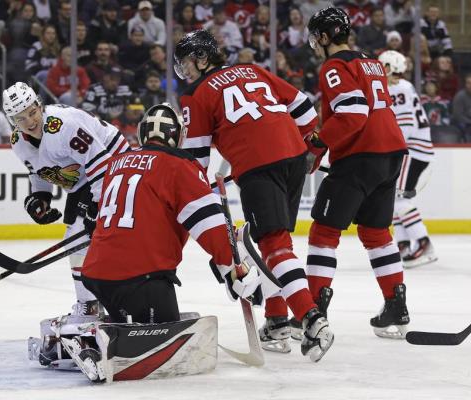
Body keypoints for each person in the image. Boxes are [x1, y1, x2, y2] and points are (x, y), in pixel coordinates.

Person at [174, 29, 333, 361]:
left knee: (274, 245)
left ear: (202, 59)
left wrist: (193, 192)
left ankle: (311, 319)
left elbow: (195, 159)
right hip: (291, 157)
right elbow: (304, 107)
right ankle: (276, 319)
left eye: (187, 63)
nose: (184, 70)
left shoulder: (196, 94)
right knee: (273, 242)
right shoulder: (252, 70)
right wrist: (307, 146)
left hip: (259, 166)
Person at [75, 103, 260, 381]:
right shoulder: (180, 165)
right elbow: (208, 224)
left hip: (97, 274)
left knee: (134, 317)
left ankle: (109, 330)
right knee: (167, 341)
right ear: (178, 136)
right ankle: (104, 347)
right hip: (141, 277)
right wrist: (232, 268)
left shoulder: (118, 163)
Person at [303, 7, 409, 341]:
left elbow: (352, 113)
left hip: (361, 156)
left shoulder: (335, 65)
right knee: (377, 233)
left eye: (315, 38)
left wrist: (316, 144)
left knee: (323, 232)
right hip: (391, 153)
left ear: (323, 36)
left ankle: (313, 310)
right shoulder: (373, 61)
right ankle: (396, 304)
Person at [1, 81, 130, 335]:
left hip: (115, 163)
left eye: (32, 111)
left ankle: (92, 305)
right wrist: (40, 197)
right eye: (20, 118)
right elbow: (38, 173)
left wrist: (96, 206)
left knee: (78, 236)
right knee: (79, 236)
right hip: (86, 178)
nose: (29, 121)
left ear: (39, 105)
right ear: (11, 121)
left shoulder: (62, 126)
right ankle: (96, 301)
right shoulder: (18, 141)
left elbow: (101, 163)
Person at [378, 50, 437, 268]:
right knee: (393, 198)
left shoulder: (398, 88)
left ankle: (424, 244)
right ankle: (404, 243)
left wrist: (390, 148)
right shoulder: (402, 87)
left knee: (400, 199)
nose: (380, 70)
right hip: (413, 150)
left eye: (383, 66)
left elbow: (406, 125)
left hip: (413, 151)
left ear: (391, 68)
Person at [451, 74, 471, 143]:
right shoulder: (460, 96)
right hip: (462, 123)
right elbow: (458, 115)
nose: (470, 85)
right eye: (468, 83)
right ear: (465, 84)